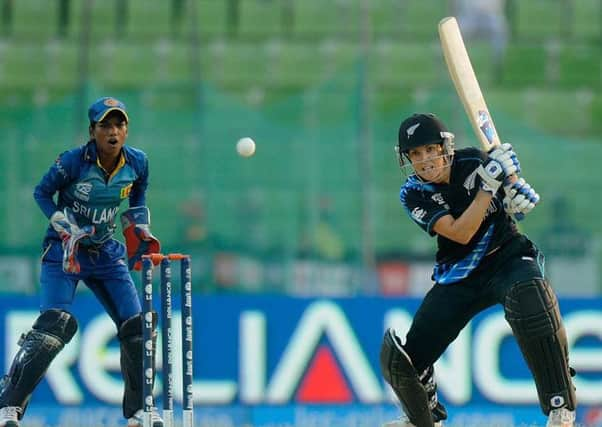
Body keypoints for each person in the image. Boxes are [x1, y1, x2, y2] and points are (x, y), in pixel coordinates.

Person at [380, 113, 576, 427]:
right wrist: (489, 186)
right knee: (404, 361)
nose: (425, 160)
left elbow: (510, 197)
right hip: (459, 274)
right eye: (415, 154)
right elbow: (460, 232)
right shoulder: (413, 193)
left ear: (445, 147)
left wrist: (514, 191)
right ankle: (424, 417)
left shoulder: (475, 161)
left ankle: (560, 408)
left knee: (532, 302)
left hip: (507, 258)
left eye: (430, 149)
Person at [0, 97, 163, 427]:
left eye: (119, 125)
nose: (113, 132)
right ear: (93, 131)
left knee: (138, 327)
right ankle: (9, 406)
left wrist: (140, 227)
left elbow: (138, 195)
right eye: (105, 126)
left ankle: (138, 410)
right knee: (53, 327)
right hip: (65, 251)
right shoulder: (73, 162)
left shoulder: (138, 163)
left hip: (105, 252)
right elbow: (42, 193)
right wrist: (63, 225)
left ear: (126, 130)